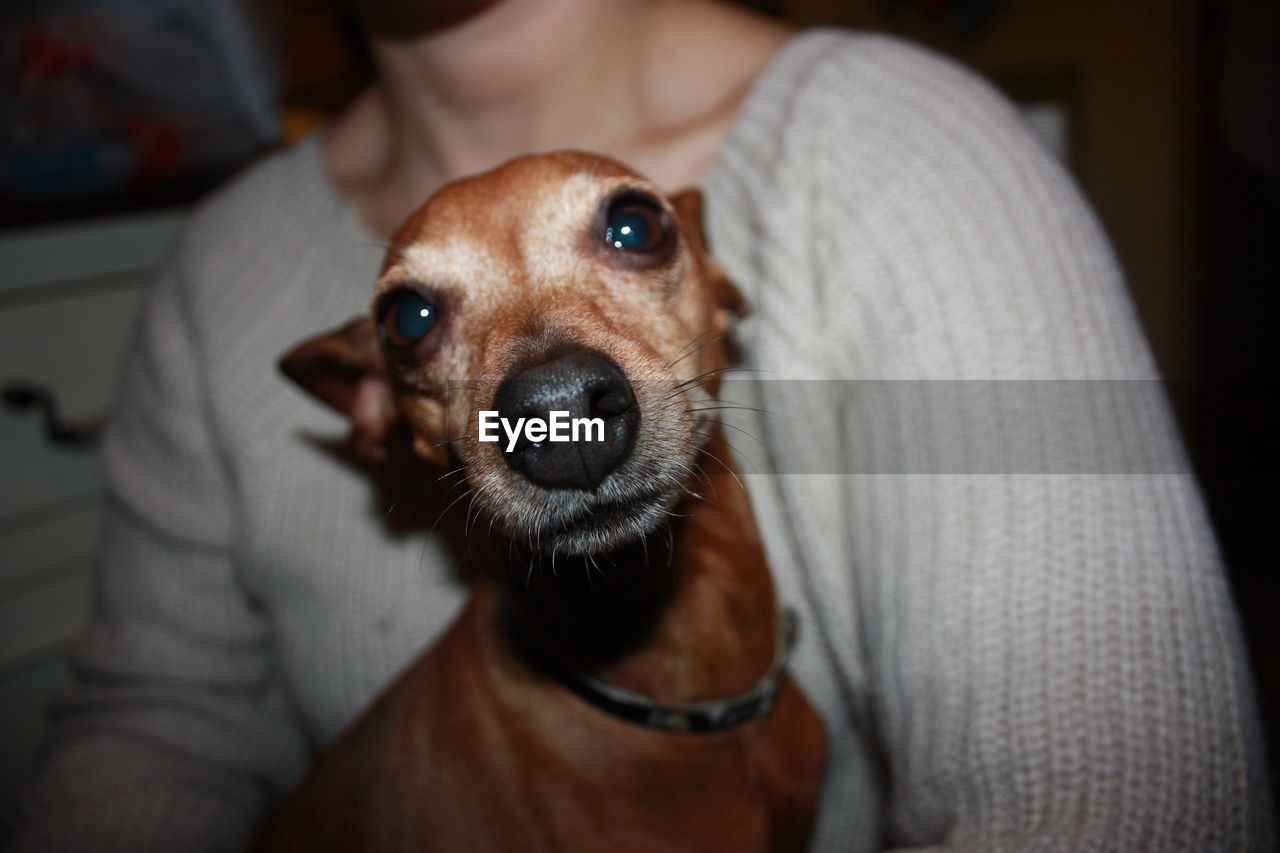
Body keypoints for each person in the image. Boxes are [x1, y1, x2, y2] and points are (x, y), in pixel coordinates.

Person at [6, 0, 1273, 850]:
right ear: (389, 413)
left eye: (626, 233)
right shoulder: (218, 261)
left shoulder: (903, 153)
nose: (554, 390)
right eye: (417, 322)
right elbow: (152, 722)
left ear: (716, 289)